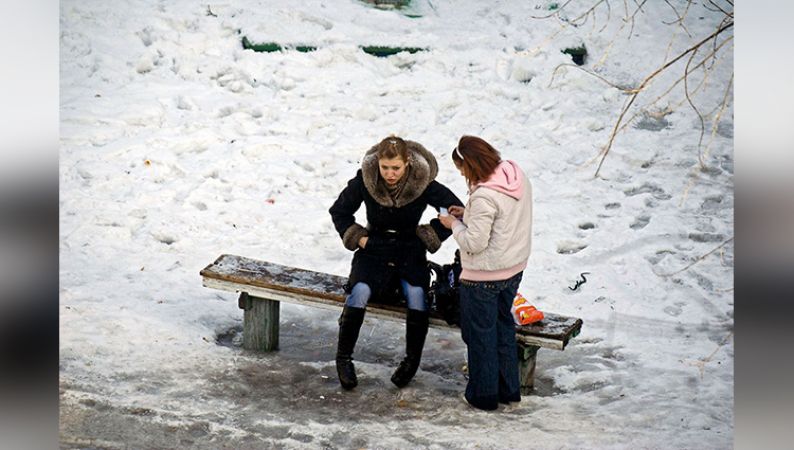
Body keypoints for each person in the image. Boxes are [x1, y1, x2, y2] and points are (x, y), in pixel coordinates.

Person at [329, 136, 463, 390]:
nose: (390, 174)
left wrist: (427, 236)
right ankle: (343, 358)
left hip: (409, 249)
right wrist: (360, 239)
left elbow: (456, 210)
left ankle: (411, 361)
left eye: (396, 168)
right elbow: (339, 211)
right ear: (378, 164)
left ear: (408, 163)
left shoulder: (421, 181)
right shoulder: (366, 180)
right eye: (385, 168)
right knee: (359, 292)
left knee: (416, 295)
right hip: (374, 248)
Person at [438, 135, 533, 411]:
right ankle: (508, 390)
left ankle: (483, 396)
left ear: (471, 165)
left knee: (480, 336)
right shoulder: (514, 175)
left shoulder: (484, 196)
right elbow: (502, 219)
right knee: (503, 328)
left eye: (462, 170)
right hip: (513, 269)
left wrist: (453, 223)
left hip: (484, 278)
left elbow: (474, 243)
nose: (463, 176)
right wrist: (467, 213)